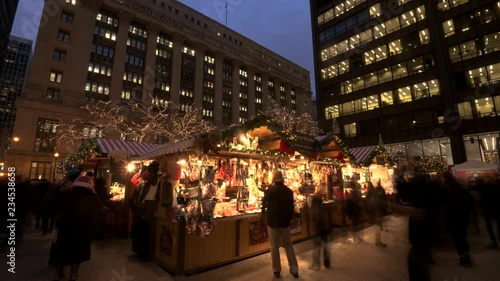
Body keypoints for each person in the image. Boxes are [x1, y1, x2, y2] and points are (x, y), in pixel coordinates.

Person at [261, 170, 299, 278]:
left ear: (274, 178)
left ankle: (276, 270)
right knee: (288, 245)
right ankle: (294, 268)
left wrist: (263, 216)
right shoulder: (289, 191)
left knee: (274, 246)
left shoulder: (270, 190)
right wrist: (289, 219)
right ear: (282, 178)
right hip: (285, 223)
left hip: (272, 222)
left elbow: (264, 205)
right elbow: (292, 208)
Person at [441, 172, 475, 267]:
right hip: (463, 217)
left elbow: (447, 205)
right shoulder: (460, 188)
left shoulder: (447, 190)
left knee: (458, 239)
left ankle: (462, 258)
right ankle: (466, 257)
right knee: (463, 238)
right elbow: (470, 201)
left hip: (454, 218)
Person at [130, 161, 161, 258]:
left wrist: (137, 203)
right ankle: (146, 251)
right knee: (147, 230)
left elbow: (142, 196)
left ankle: (140, 250)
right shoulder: (159, 180)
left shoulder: (146, 182)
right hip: (151, 207)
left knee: (141, 229)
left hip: (144, 206)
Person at [309, 185, 332, 270]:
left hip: (319, 228)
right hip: (325, 228)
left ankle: (316, 265)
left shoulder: (315, 205)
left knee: (316, 246)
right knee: (325, 246)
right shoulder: (322, 205)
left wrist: (314, 226)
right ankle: (327, 263)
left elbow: (315, 217)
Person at [477, 174, 500, 248]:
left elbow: (482, 198)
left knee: (489, 226)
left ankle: (494, 242)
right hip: (496, 208)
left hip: (487, 209)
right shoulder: (496, 187)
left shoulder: (484, 187)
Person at [366, 181, 387, 247]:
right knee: (377, 226)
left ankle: (378, 241)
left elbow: (370, 201)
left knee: (377, 226)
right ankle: (378, 242)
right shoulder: (373, 191)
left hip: (375, 211)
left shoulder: (371, 192)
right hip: (376, 212)